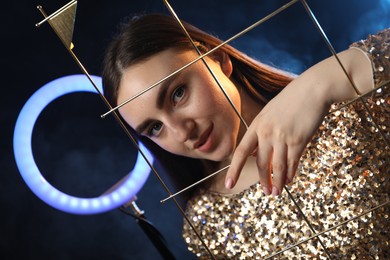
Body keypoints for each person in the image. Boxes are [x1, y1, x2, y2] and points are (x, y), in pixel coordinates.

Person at [102, 14, 389, 258]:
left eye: (178, 94)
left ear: (218, 59)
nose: (181, 132)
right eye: (155, 128)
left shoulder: (345, 107)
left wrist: (320, 83)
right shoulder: (207, 223)